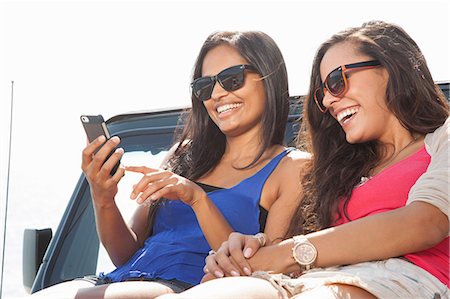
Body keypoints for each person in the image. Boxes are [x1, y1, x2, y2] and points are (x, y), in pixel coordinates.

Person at [157, 20, 449, 299]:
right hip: (313, 282)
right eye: (322, 92)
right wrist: (250, 251)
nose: (327, 101)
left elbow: (425, 222)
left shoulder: (443, 139)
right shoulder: (341, 176)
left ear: (389, 70)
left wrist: (287, 254)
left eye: (337, 81)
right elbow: (288, 255)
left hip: (405, 279)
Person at [29, 31, 308, 298]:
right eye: (205, 86)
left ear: (268, 77)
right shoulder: (184, 155)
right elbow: (124, 253)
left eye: (232, 79)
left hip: (186, 288)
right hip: (118, 279)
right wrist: (103, 198)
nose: (218, 94)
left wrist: (197, 199)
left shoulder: (292, 168)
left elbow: (263, 274)